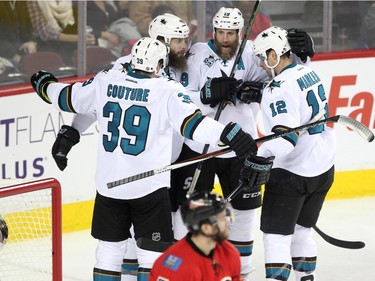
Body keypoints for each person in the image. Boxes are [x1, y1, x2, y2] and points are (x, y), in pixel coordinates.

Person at [30, 36, 258, 281]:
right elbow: (194, 127)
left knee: (107, 255)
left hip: (109, 187)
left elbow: (65, 98)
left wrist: (44, 83)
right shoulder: (167, 90)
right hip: (149, 190)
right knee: (151, 259)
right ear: (160, 64)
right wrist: (227, 133)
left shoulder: (106, 80)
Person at [172, 7, 316, 280]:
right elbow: (173, 96)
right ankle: (186, 272)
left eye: (231, 33)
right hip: (200, 148)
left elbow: (283, 80)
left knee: (245, 216)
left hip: (242, 147)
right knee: (189, 215)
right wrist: (205, 94)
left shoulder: (254, 52)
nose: (225, 39)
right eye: (221, 32)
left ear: (240, 33)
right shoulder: (196, 54)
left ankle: (241, 274)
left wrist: (255, 90)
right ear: (212, 31)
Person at [50, 13, 192, 281]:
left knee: (168, 236)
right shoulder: (122, 67)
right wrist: (72, 131)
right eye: (178, 40)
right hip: (142, 168)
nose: (185, 45)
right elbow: (96, 104)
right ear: (161, 41)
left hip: (175, 162)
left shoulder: (185, 64)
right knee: (127, 243)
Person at [252, 26, 336, 281]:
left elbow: (285, 138)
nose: (260, 64)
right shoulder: (309, 72)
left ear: (275, 54)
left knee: (276, 237)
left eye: (262, 57)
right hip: (323, 169)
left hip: (292, 173)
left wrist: (258, 158)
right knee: (302, 232)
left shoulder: (277, 88)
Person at [149, 191, 241, 281]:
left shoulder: (229, 252)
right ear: (206, 228)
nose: (227, 222)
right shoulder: (176, 267)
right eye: (222, 219)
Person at [27, 0, 96, 64]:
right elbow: (45, 33)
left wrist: (87, 37)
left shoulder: (71, 2)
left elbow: (81, 24)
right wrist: (79, 38)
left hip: (73, 48)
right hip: (49, 48)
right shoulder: (34, 1)